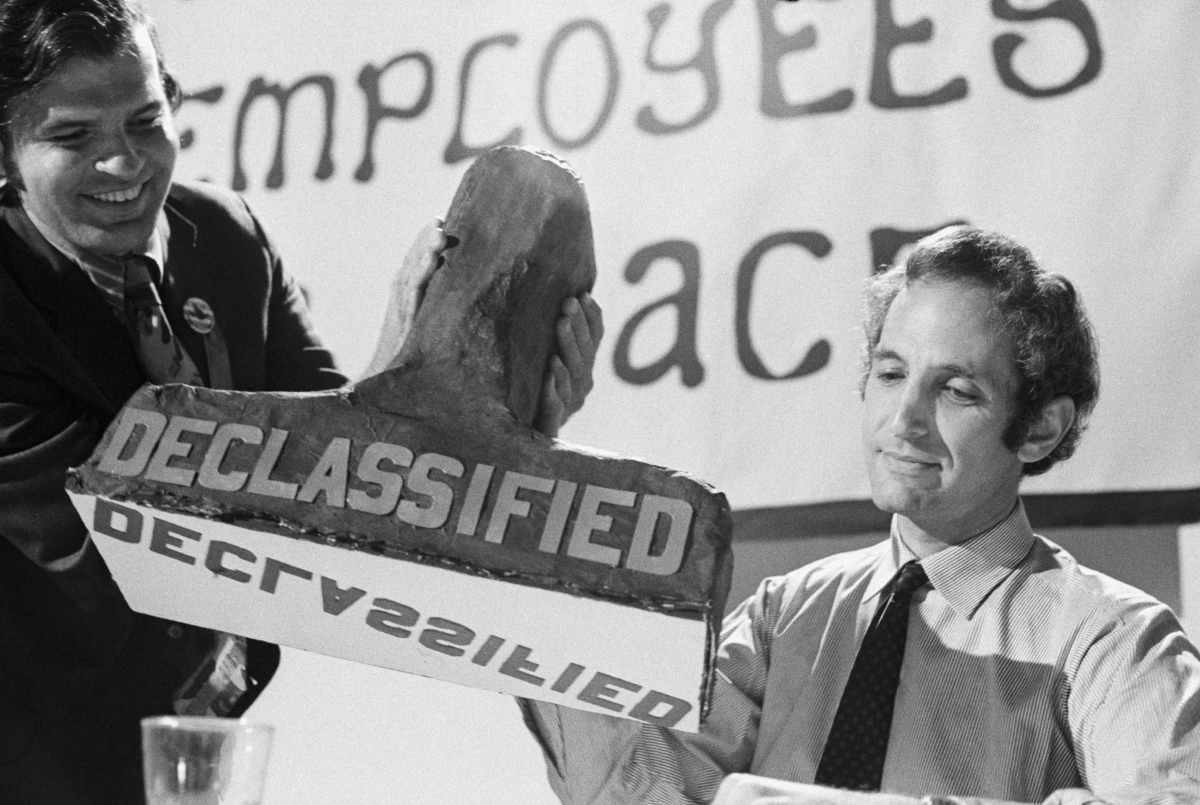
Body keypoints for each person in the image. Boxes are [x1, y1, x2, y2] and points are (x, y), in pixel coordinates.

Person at [0, 0, 603, 802]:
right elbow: (133, 554)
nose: (126, 164)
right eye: (74, 137)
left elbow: (351, 482)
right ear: (6, 152)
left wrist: (494, 411)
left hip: (212, 743)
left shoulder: (229, 239)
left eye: (146, 121)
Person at [521, 225, 1200, 804]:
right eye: (890, 372)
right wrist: (528, 469)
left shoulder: (1114, 642)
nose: (903, 420)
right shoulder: (786, 615)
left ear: (1040, 429)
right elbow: (644, 788)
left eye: (955, 389)